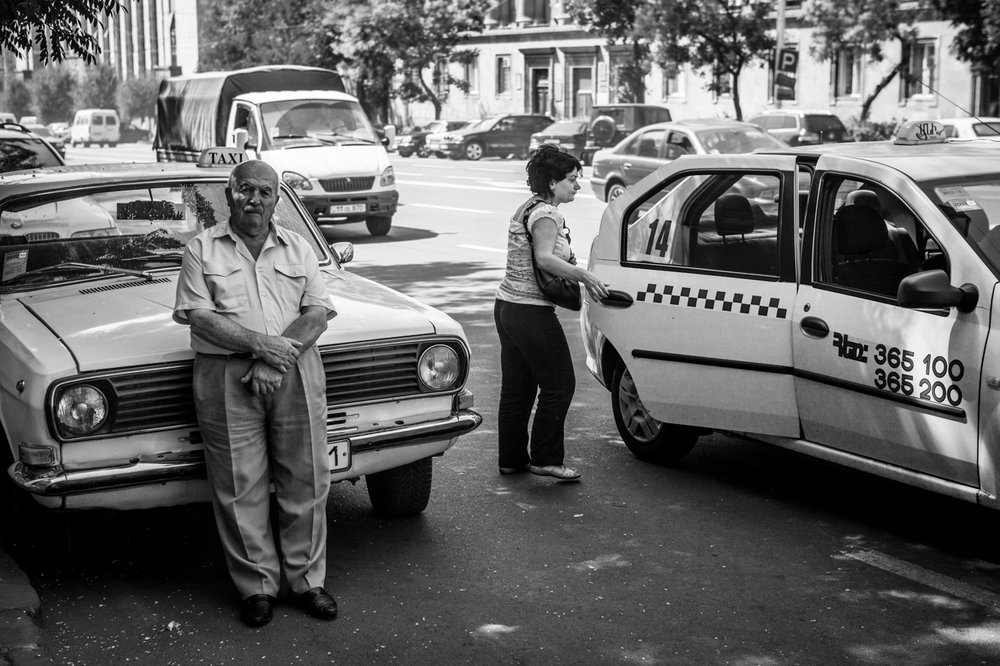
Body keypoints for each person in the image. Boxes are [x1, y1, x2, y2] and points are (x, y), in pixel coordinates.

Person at [173, 159, 338, 628]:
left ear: (277, 199)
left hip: (294, 369)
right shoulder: (202, 249)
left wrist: (271, 358)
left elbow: (318, 313)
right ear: (230, 194)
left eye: (266, 192)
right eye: (246, 190)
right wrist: (258, 346)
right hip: (225, 375)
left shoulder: (299, 247)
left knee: (306, 478)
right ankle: (257, 587)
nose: (255, 200)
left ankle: (307, 582)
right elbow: (198, 316)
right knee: (238, 485)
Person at [494, 145, 609, 482]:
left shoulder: (527, 206)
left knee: (518, 389)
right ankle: (545, 458)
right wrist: (586, 277)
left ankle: (511, 459)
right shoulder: (547, 214)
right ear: (553, 181)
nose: (577, 186)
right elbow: (544, 258)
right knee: (560, 384)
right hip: (530, 311)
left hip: (508, 307)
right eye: (572, 180)